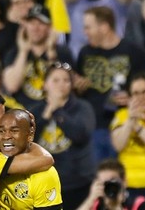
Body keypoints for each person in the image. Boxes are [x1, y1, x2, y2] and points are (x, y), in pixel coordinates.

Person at [74, 6, 145, 163]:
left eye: (88, 27)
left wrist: (130, 97)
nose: (84, 32)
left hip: (125, 125)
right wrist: (78, 87)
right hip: (93, 126)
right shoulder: (84, 53)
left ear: (104, 27)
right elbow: (78, 89)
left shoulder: (135, 52)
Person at [30, 61, 96, 210]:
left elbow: (81, 135)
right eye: (55, 80)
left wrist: (57, 112)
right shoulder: (35, 110)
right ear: (45, 84)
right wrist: (45, 115)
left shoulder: (82, 107)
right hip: (44, 183)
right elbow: (26, 140)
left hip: (77, 183)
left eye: (66, 80)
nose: (61, 84)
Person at [3, 3, 74, 109]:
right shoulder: (14, 53)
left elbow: (64, 87)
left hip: (55, 112)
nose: (35, 28)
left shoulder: (62, 52)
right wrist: (23, 52)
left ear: (49, 27)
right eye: (31, 23)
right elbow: (12, 86)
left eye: (41, 23)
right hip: (23, 113)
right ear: (25, 25)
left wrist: (51, 53)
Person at [110, 73, 145, 209]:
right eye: (136, 93)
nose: (141, 97)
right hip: (128, 185)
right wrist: (130, 121)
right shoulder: (121, 116)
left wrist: (137, 127)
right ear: (130, 97)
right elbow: (118, 145)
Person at [77, 158, 145, 210]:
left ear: (124, 182)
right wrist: (90, 199)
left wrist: (117, 207)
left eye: (111, 182)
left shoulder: (137, 203)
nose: (108, 187)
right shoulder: (96, 204)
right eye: (103, 183)